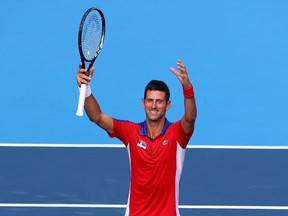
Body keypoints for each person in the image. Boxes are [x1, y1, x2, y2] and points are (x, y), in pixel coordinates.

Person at [76, 59, 197, 216]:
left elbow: (190, 117)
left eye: (159, 102)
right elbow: (97, 117)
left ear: (168, 105)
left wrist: (187, 88)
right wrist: (84, 88)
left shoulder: (176, 134)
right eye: (150, 101)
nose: (154, 106)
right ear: (143, 103)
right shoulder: (130, 132)